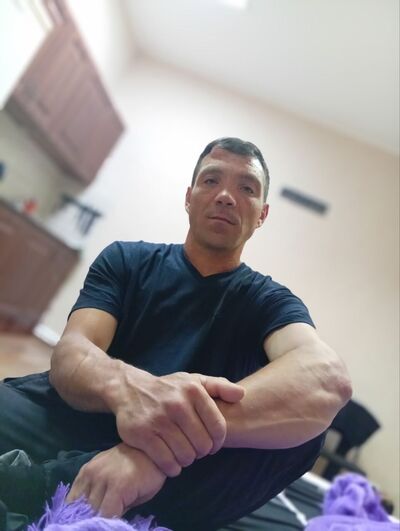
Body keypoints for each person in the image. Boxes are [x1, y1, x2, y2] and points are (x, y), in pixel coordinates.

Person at [0, 137, 352, 530]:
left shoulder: (270, 302)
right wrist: (132, 390)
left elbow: (327, 380)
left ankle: (44, 485)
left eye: (246, 188)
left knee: (305, 431)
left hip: (169, 470)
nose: (226, 196)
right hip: (73, 419)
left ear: (262, 215)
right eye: (211, 181)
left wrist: (154, 444)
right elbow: (72, 353)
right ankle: (56, 492)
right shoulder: (126, 260)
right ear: (188, 197)